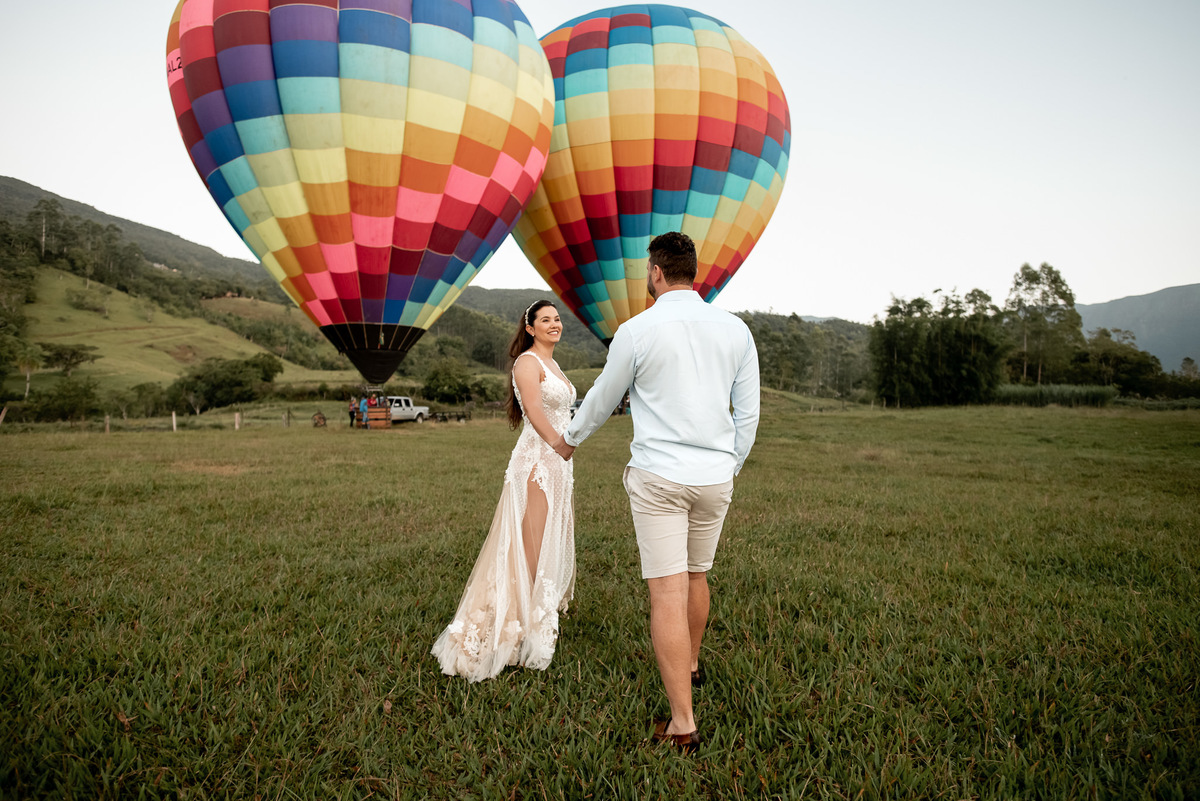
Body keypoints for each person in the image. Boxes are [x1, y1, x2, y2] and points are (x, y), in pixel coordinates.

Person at [553, 231, 760, 753]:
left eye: (647, 270)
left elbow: (603, 396)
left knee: (667, 590)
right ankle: (690, 663)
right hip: (715, 477)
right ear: (696, 271)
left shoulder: (636, 330)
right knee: (697, 575)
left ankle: (682, 723)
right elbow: (749, 411)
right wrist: (728, 464)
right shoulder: (736, 331)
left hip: (660, 477)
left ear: (656, 271)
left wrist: (570, 437)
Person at [432, 300, 577, 682]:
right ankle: (512, 627)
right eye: (545, 319)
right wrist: (559, 445)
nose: (554, 324)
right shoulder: (527, 363)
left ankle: (532, 617)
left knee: (546, 539)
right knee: (528, 547)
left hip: (557, 464)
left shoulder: (555, 365)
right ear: (529, 327)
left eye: (557, 319)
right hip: (537, 464)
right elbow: (534, 410)